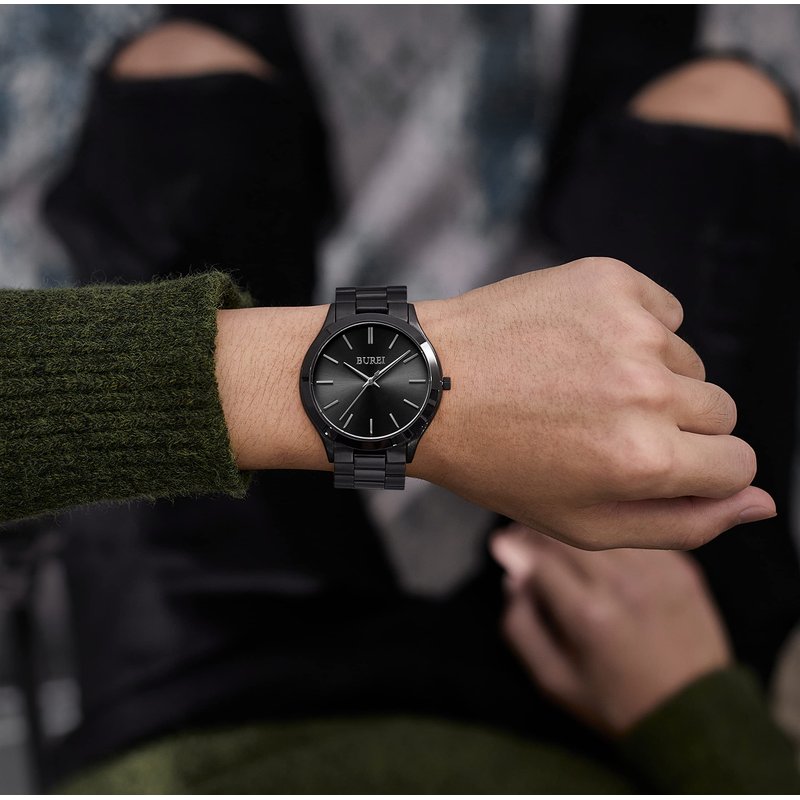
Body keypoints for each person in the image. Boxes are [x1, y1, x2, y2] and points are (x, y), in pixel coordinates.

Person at [0, 5, 798, 791]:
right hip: (634, 724)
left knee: (178, 88)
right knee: (722, 123)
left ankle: (273, 165)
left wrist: (354, 379)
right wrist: (699, 715)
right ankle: (607, 155)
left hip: (190, 714)